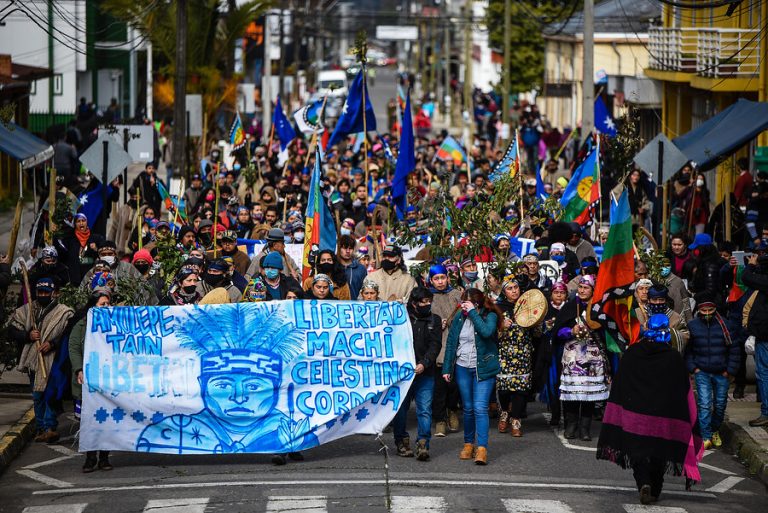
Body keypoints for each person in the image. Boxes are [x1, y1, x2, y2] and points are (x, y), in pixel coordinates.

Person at [597, 314, 703, 505]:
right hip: (663, 417)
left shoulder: (632, 353)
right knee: (658, 454)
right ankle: (655, 488)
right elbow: (683, 390)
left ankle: (644, 483)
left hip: (635, 416)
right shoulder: (673, 358)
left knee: (638, 453)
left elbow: (620, 384)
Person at [9, 277, 75, 443]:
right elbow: (12, 330)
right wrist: (28, 335)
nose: (43, 295)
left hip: (54, 360)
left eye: (46, 292)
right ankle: (40, 428)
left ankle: (50, 427)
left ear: (54, 293)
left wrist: (52, 343)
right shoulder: (27, 310)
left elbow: (68, 336)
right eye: (40, 292)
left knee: (50, 394)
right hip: (34, 360)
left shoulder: (64, 312)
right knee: (38, 395)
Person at [442, 288, 501, 465]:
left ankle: (481, 448)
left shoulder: (489, 315)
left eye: (469, 304)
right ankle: (468, 444)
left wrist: (474, 313)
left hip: (483, 366)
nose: (465, 307)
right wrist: (447, 368)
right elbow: (452, 343)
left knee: (480, 407)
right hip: (462, 366)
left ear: (478, 302)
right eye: (463, 303)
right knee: (467, 408)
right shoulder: (459, 317)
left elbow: (486, 332)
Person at [553, 275, 609, 441]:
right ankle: (571, 425)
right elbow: (557, 331)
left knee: (588, 395)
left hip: (593, 357)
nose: (582, 290)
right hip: (572, 356)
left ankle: (585, 428)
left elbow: (605, 331)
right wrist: (571, 331)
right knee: (572, 393)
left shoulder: (599, 308)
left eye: (586, 288)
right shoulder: (570, 307)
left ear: (593, 290)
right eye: (581, 287)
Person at [685, 292, 740, 449]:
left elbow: (735, 349)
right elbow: (688, 351)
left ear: (715, 309)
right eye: (704, 311)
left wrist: (730, 370)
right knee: (704, 404)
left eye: (710, 310)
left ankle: (715, 430)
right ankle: (706, 435)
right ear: (699, 310)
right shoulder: (693, 326)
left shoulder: (726, 325)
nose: (707, 314)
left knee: (720, 404)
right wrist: (693, 368)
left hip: (722, 372)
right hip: (701, 371)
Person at [393, 288, 441, 460]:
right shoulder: (401, 318)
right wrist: (394, 308)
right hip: (403, 375)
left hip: (425, 373)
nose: (427, 305)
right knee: (400, 410)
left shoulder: (434, 320)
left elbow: (435, 346)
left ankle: (423, 443)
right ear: (414, 303)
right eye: (423, 302)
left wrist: (424, 363)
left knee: (425, 410)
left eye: (429, 301)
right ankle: (401, 441)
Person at [69, 288, 114, 472]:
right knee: (89, 422)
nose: (106, 307)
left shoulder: (115, 324)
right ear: (93, 306)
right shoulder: (81, 326)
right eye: (102, 304)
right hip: (87, 382)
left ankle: (104, 458)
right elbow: (73, 348)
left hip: (107, 382)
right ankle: (90, 458)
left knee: (107, 421)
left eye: (108, 304)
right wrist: (79, 369)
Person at [496, 275, 535, 437]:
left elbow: (537, 333)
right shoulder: (497, 308)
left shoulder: (527, 306)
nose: (514, 291)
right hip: (504, 353)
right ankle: (505, 411)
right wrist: (501, 326)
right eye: (510, 289)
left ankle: (516, 420)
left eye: (516, 288)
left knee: (520, 389)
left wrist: (538, 323)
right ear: (504, 292)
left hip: (523, 353)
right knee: (504, 388)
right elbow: (489, 331)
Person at [427, 264, 463, 437]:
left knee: (454, 384)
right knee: (439, 385)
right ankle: (439, 419)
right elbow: (421, 318)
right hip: (438, 345)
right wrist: (435, 324)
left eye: (442, 278)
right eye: (436, 279)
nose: (440, 282)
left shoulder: (457, 294)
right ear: (431, 280)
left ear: (447, 278)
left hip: (456, 343)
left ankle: (452, 410)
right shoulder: (428, 296)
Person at [741, 253, 768, 426]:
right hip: (762, 336)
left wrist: (751, 265)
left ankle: (766, 413)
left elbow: (746, 277)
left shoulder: (764, 281)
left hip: (765, 337)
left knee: (764, 373)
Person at [337, 235, 367, 299]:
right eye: (345, 248)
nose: (348, 251)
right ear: (339, 249)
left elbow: (365, 290)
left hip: (355, 306)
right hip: (335, 306)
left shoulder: (361, 269)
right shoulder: (334, 267)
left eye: (350, 248)